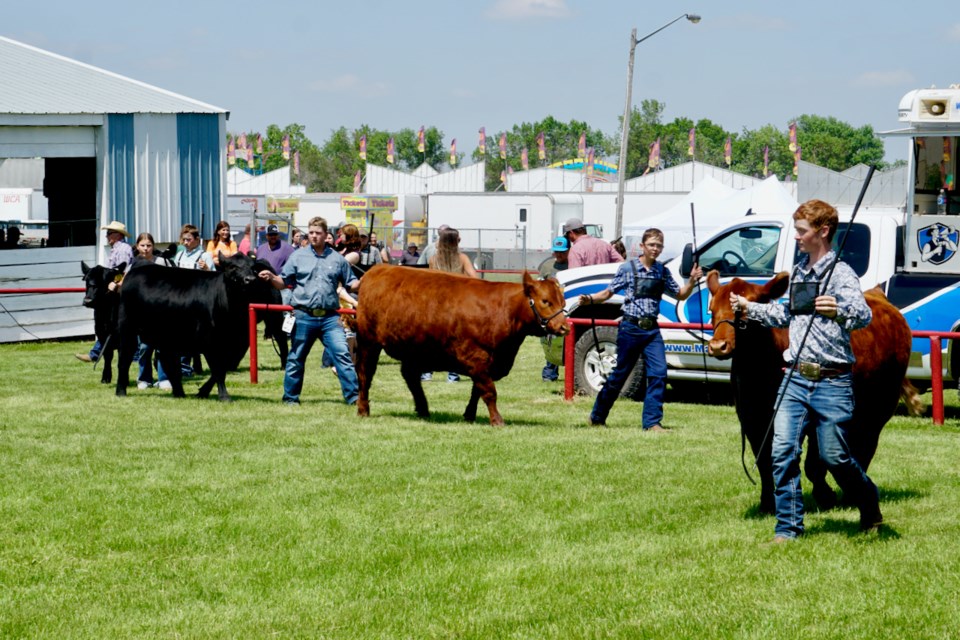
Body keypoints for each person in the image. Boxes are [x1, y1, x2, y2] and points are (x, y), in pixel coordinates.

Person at [729, 200, 881, 542]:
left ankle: (868, 501)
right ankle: (788, 529)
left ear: (822, 231)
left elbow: (863, 316)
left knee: (835, 457)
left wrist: (838, 309)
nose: (796, 237)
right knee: (783, 453)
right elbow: (787, 316)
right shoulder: (798, 271)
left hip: (832, 381)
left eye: (801, 231)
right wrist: (749, 307)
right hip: (794, 378)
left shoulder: (841, 274)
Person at [579, 228, 702, 431]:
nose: (656, 249)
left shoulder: (662, 271)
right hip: (630, 329)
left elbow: (680, 295)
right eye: (652, 244)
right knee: (619, 375)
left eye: (659, 245)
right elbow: (608, 293)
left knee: (659, 373)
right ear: (642, 246)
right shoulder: (628, 269)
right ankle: (597, 416)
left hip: (652, 330)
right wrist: (589, 299)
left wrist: (692, 281)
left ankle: (652, 422)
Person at [257, 216, 361, 405]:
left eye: (318, 233)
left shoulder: (338, 259)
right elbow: (283, 283)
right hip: (304, 315)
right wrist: (272, 276)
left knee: (342, 355)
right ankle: (290, 398)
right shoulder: (297, 257)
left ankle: (354, 398)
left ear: (326, 234)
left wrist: (366, 283)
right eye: (311, 232)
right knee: (296, 358)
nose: (313, 236)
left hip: (330, 318)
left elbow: (351, 283)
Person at [75, 221, 135, 363]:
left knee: (111, 324)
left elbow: (122, 270)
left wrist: (116, 284)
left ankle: (94, 354)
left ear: (118, 235)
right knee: (108, 325)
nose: (107, 236)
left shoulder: (123, 249)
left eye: (109, 233)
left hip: (119, 291)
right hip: (114, 290)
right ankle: (95, 353)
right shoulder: (117, 248)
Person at [425, 227, 479, 382]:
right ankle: (452, 374)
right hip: (457, 304)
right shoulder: (462, 258)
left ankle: (427, 372)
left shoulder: (433, 259)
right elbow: (475, 279)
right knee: (456, 341)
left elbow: (430, 282)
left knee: (433, 341)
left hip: (437, 304)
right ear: (455, 242)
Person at [128, 232, 173, 390]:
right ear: (137, 246)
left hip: (162, 310)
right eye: (142, 245)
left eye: (149, 245)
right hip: (143, 312)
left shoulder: (162, 262)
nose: (146, 249)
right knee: (145, 347)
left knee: (163, 346)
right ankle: (144, 378)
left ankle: (164, 378)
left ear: (153, 246)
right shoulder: (133, 264)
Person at [540, 235, 571, 382]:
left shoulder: (573, 265)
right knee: (551, 338)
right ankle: (550, 373)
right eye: (557, 251)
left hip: (568, 306)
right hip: (551, 311)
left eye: (563, 252)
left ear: (569, 251)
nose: (559, 255)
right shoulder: (547, 266)